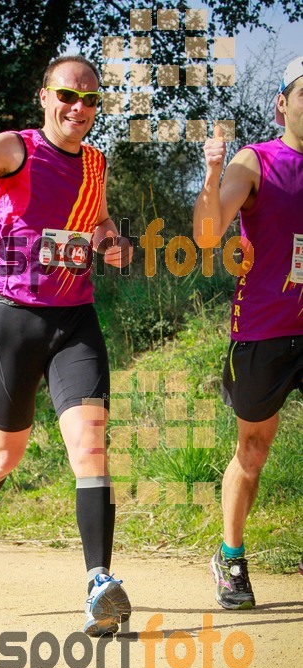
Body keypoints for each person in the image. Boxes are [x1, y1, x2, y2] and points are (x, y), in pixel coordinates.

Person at [0, 54, 134, 635]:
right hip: (12, 319)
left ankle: (99, 584)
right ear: (45, 97)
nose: (79, 109)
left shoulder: (96, 162)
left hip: (74, 320)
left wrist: (112, 241)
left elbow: (99, 223)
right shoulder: (16, 148)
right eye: (68, 96)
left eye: (91, 100)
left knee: (90, 448)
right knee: (5, 454)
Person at [193, 56, 303, 609]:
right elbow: (209, 235)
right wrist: (212, 177)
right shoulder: (256, 162)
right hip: (265, 329)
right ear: (282, 103)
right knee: (254, 450)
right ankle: (230, 556)